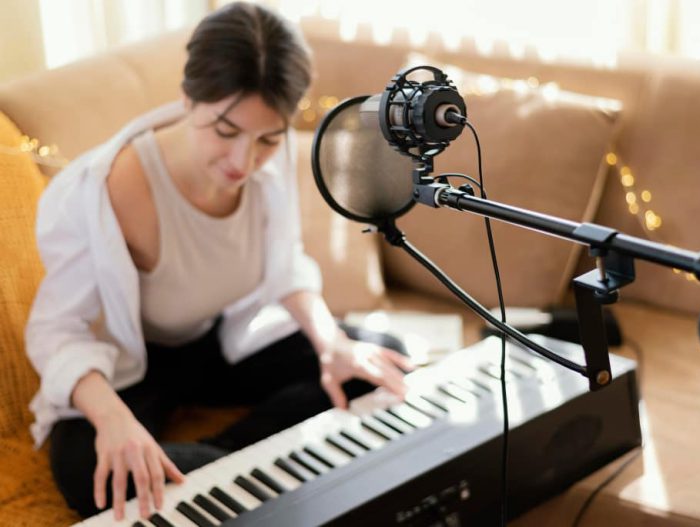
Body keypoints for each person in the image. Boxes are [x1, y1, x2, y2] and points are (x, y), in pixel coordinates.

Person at [24, 2, 413, 522]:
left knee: (379, 358)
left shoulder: (266, 166)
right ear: (188, 99)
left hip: (218, 342)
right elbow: (55, 332)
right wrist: (114, 419)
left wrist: (331, 344)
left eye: (268, 139)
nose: (244, 163)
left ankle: (224, 462)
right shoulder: (103, 190)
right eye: (225, 132)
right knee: (85, 470)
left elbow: (285, 266)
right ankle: (243, 467)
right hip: (133, 365)